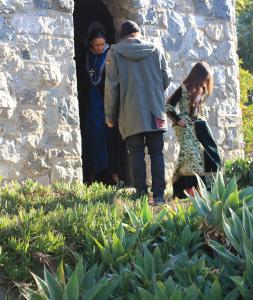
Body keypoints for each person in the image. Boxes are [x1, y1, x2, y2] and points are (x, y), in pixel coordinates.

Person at [105, 20, 171, 203]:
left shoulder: (115, 52)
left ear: (122, 36)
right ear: (138, 33)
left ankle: (141, 195)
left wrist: (110, 116)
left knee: (136, 154)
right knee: (157, 153)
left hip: (129, 112)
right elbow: (167, 79)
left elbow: (111, 88)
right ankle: (159, 195)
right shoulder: (156, 50)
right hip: (155, 110)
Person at [166, 62, 221, 198]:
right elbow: (168, 106)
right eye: (204, 78)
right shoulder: (184, 88)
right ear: (198, 76)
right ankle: (186, 191)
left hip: (199, 125)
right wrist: (178, 119)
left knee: (210, 154)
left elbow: (195, 113)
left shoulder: (202, 89)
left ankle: (208, 190)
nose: (206, 82)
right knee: (191, 156)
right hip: (184, 127)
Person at [82, 24, 127, 185]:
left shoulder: (111, 55)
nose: (100, 48)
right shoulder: (86, 56)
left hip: (107, 103)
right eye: (97, 45)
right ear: (91, 44)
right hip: (92, 105)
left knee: (109, 138)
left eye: (102, 44)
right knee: (92, 137)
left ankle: (114, 174)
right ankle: (92, 173)